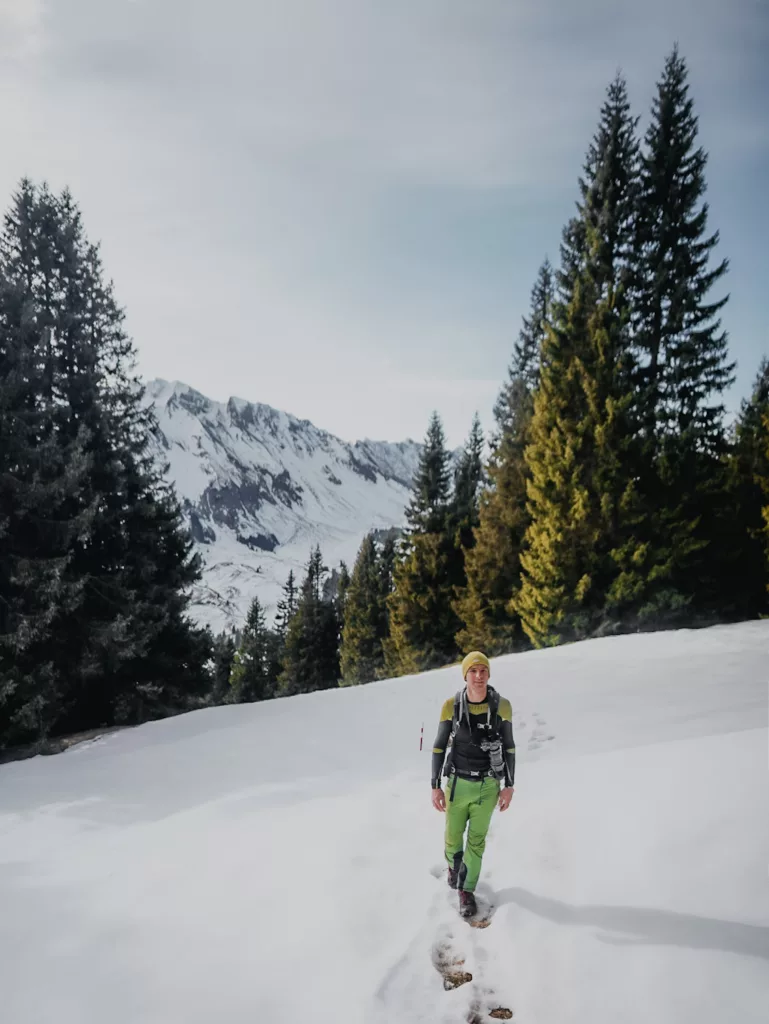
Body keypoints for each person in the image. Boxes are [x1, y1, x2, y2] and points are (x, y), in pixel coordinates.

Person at [431, 651, 515, 918]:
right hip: (456, 783)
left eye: (483, 671)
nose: (479, 676)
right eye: (473, 671)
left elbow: (510, 747)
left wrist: (509, 785)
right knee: (453, 838)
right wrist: (435, 785)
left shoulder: (502, 706)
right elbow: (439, 746)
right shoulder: (451, 706)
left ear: (488, 674)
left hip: (488, 785)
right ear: (465, 675)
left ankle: (466, 891)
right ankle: (454, 867)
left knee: (476, 842)